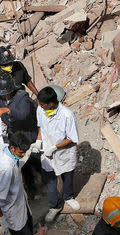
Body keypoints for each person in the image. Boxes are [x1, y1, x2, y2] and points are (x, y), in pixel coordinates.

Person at [35, 86, 80, 222]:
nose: (40, 107)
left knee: (67, 176)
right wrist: (38, 141)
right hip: (47, 152)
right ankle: (54, 206)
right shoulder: (40, 110)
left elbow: (72, 138)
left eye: (42, 105)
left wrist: (55, 147)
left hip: (64, 152)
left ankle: (68, 197)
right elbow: (41, 127)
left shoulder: (67, 115)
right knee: (50, 180)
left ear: (51, 103)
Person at [0, 73, 38, 141]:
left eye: (5, 93)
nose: (2, 95)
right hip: (12, 132)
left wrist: (8, 110)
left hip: (26, 132)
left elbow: (23, 114)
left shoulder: (22, 96)